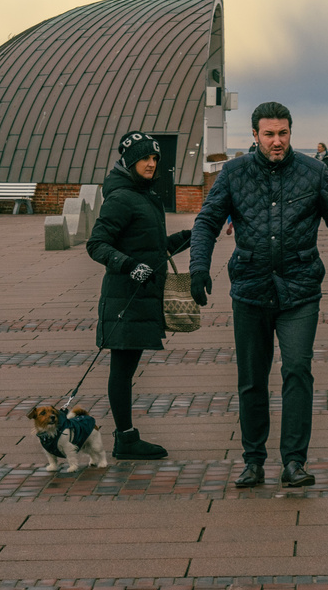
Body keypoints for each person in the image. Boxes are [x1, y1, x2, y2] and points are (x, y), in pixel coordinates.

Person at [187, 101, 328, 489]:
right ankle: (253, 460)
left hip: (300, 290)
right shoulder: (234, 174)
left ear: (291, 132)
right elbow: (206, 221)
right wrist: (198, 266)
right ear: (254, 135)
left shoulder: (314, 172)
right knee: (251, 379)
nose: (276, 141)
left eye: (282, 133)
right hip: (251, 289)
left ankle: (294, 462)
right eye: (268, 134)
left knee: (297, 371)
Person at [85, 131, 192, 460]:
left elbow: (155, 249)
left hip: (138, 295)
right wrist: (129, 266)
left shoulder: (143, 195)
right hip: (125, 297)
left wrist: (196, 234)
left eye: (155, 158)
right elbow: (97, 244)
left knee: (125, 368)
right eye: (144, 158)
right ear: (129, 162)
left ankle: (126, 437)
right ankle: (126, 439)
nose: (151, 163)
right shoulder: (122, 197)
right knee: (122, 368)